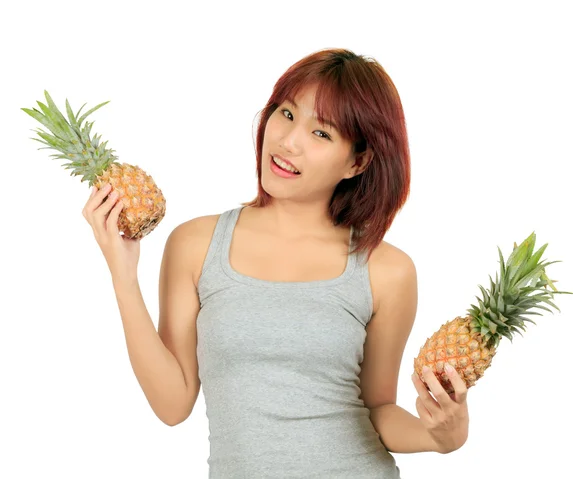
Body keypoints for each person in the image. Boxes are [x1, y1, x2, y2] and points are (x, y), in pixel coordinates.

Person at [82, 48, 469, 478]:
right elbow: (173, 404)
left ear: (357, 161)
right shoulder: (195, 245)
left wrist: (441, 437)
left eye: (321, 134)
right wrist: (123, 275)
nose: (288, 140)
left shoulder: (386, 270)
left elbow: (377, 409)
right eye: (286, 114)